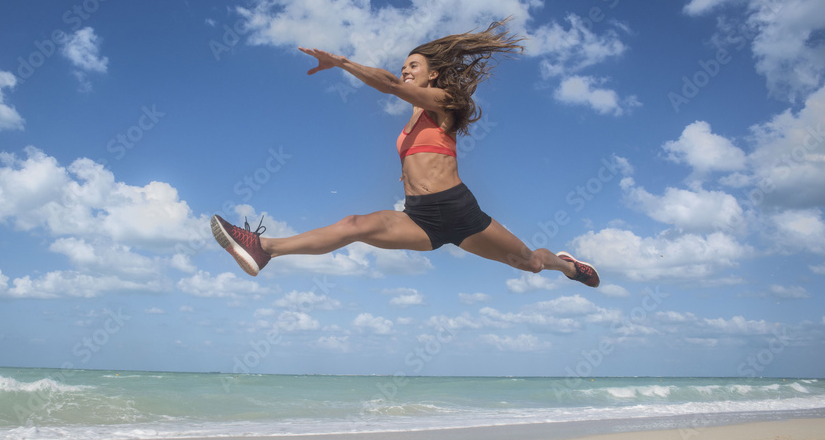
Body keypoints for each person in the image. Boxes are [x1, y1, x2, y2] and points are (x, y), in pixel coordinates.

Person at [210, 20, 599, 288]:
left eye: (413, 66)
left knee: (530, 263)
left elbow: (393, 87)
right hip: (420, 218)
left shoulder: (443, 100)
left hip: (460, 212)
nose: (406, 70)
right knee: (354, 225)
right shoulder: (409, 126)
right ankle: (264, 249)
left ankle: (566, 266)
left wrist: (341, 62)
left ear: (432, 75)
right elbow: (421, 156)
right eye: (404, 66)